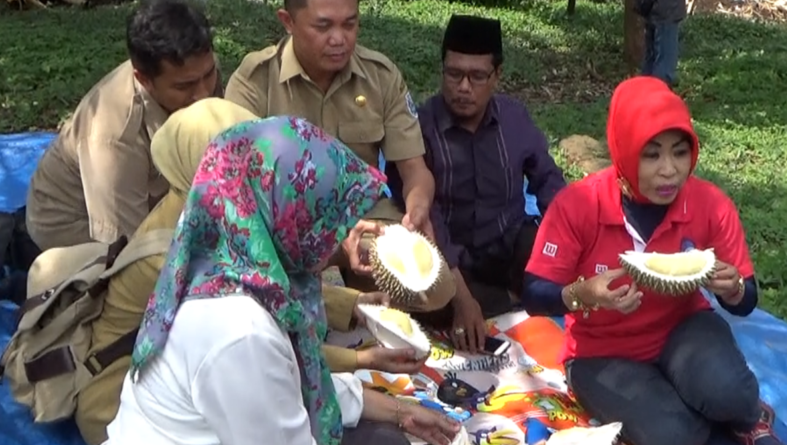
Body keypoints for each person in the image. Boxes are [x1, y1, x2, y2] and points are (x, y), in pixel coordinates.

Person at [77, 99, 425, 445]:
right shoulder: (239, 328)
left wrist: (398, 411)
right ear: (289, 223)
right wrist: (364, 363)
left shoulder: (218, 244)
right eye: (328, 221)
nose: (342, 235)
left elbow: (291, 379)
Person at [522, 76, 783, 445]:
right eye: (651, 154)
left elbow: (747, 299)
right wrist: (582, 293)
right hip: (601, 352)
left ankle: (748, 416)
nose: (669, 170)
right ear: (624, 149)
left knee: (733, 395)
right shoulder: (578, 206)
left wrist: (735, 289)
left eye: (680, 152)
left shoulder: (709, 204)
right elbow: (533, 293)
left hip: (684, 329)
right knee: (674, 435)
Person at [223, 0, 455, 311]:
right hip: (285, 227)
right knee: (265, 300)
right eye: (323, 26)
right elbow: (238, 191)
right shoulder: (255, 81)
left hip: (368, 222)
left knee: (433, 291)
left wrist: (417, 210)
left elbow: (415, 169)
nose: (339, 38)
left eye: (349, 24)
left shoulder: (380, 76)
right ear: (287, 21)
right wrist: (331, 237)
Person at [392, 15, 566, 353]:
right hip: (448, 258)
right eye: (454, 74)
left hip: (507, 247)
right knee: (424, 293)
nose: (463, 87)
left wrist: (579, 236)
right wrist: (463, 299)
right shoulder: (419, 128)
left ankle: (509, 297)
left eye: (477, 76)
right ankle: (511, 300)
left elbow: (548, 181)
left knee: (546, 249)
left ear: (497, 76)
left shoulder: (514, 119)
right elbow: (429, 219)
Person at [26, 0, 222, 251]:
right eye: (184, 87)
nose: (204, 94)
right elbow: (129, 251)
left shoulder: (196, 73)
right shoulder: (113, 136)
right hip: (73, 227)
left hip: (150, 200)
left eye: (208, 75)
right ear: (144, 79)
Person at [636, 0, 684, 86]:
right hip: (667, 11)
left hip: (654, 10)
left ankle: (646, 95)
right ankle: (657, 94)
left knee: (651, 61)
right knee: (664, 65)